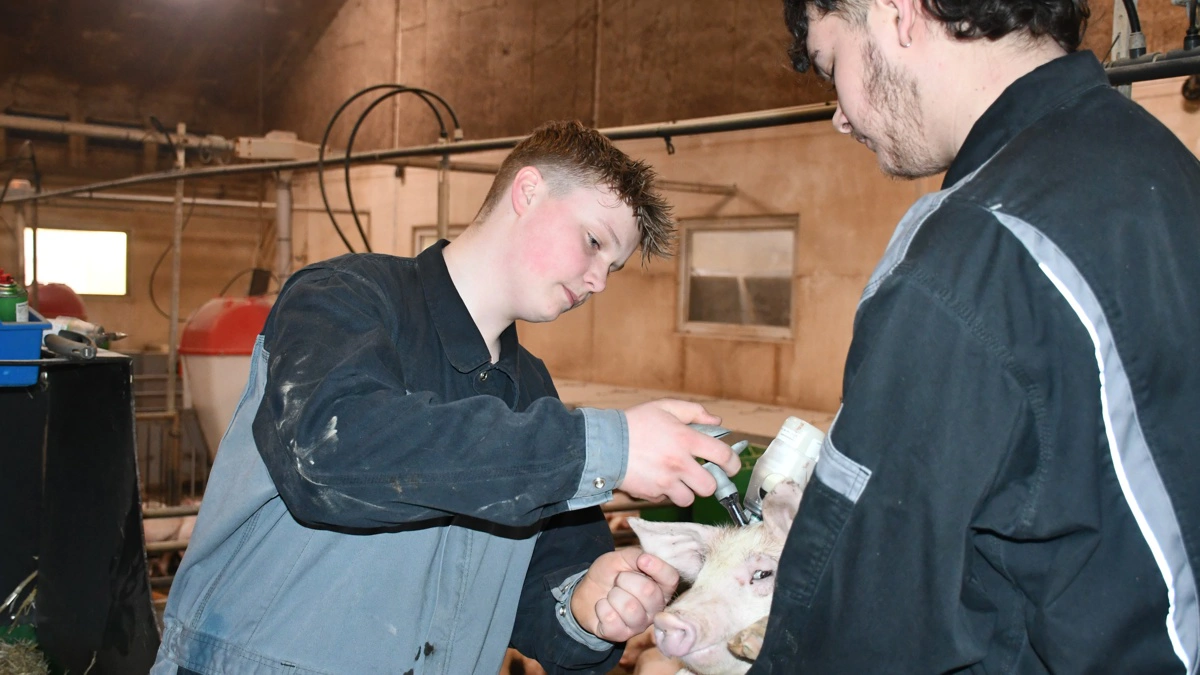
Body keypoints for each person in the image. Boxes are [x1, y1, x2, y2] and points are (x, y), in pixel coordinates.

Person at [152, 120, 741, 675]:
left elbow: (546, 587)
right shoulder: (344, 298)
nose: (597, 281)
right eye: (593, 242)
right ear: (528, 191)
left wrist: (589, 607)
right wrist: (608, 446)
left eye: (611, 267)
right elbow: (329, 455)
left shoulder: (530, 393)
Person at [748, 0, 1200, 672]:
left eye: (831, 63)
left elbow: (859, 627)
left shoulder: (971, 254)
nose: (839, 114)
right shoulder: (1162, 167)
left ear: (897, 13)